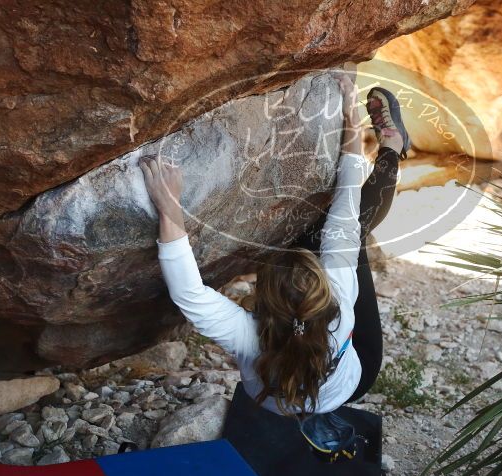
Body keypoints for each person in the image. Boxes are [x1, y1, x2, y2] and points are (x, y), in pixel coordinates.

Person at [140, 67, 410, 417]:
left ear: (261, 294)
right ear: (324, 290)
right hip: (356, 378)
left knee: (326, 232)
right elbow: (347, 198)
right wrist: (347, 113)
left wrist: (167, 206)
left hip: (301, 392)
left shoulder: (249, 337)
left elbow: (189, 293)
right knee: (347, 232)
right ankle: (394, 146)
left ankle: (393, 146)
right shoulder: (340, 298)